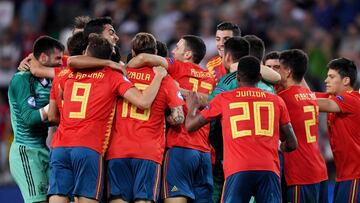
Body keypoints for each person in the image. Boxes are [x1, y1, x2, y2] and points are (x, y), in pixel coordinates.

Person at [47, 34, 167, 203]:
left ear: (86, 52)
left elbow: (70, 65)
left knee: (58, 196)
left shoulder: (68, 74)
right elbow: (143, 102)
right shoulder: (113, 76)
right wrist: (158, 77)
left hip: (60, 146)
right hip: (88, 147)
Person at [185, 56, 298, 203]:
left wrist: (192, 107)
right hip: (269, 169)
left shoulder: (224, 98)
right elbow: (292, 143)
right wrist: (282, 146)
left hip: (238, 170)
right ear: (259, 77)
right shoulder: (276, 100)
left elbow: (190, 126)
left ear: (237, 77)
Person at [127, 35, 216, 203]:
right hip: (204, 151)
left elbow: (143, 57)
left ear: (188, 54)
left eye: (178, 47)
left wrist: (126, 70)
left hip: (180, 146)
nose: (173, 51)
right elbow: (209, 100)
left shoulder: (177, 67)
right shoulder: (210, 77)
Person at [106, 32, 185, 203]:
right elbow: (179, 117)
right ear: (155, 52)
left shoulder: (121, 74)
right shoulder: (166, 80)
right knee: (144, 199)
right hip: (148, 150)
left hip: (118, 148)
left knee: (117, 198)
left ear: (133, 52)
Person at [207, 35, 280, 203]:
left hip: (235, 159)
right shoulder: (270, 86)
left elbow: (210, 111)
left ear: (227, 56)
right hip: (267, 160)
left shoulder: (230, 80)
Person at [8, 36, 64, 203]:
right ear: (43, 58)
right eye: (58, 58)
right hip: (25, 151)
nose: (61, 63)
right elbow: (29, 118)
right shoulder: (21, 79)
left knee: (56, 199)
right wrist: (57, 105)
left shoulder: (50, 80)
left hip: (42, 149)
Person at [276, 49, 328, 203]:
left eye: (279, 68)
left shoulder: (283, 98)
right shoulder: (310, 95)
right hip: (318, 168)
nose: (276, 72)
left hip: (299, 172)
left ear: (288, 71)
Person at [316, 58, 360, 203]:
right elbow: (304, 94)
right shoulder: (335, 98)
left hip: (355, 176)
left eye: (332, 76)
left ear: (346, 80)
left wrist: (295, 99)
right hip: (343, 176)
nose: (326, 80)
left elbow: (320, 103)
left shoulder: (352, 99)